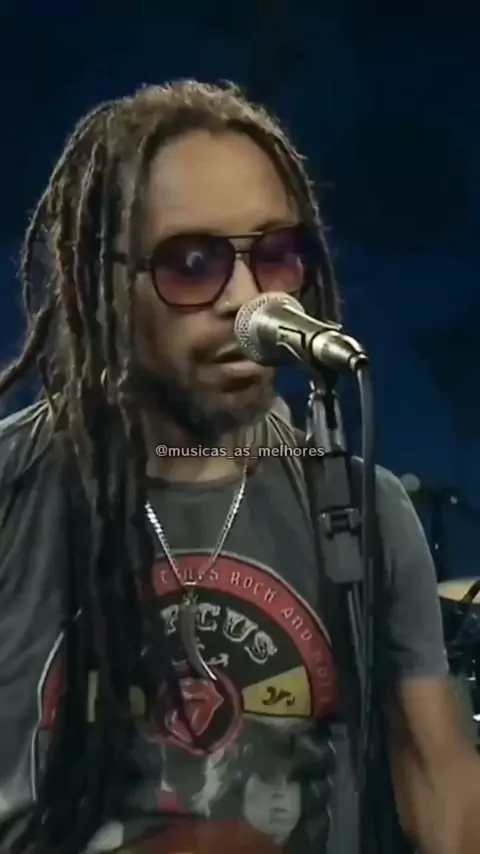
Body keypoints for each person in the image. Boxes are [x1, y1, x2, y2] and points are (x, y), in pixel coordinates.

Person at [0, 79, 479, 854]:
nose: (251, 302)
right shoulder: (13, 490)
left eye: (276, 256)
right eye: (194, 264)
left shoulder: (359, 509)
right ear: (102, 283)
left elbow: (442, 788)